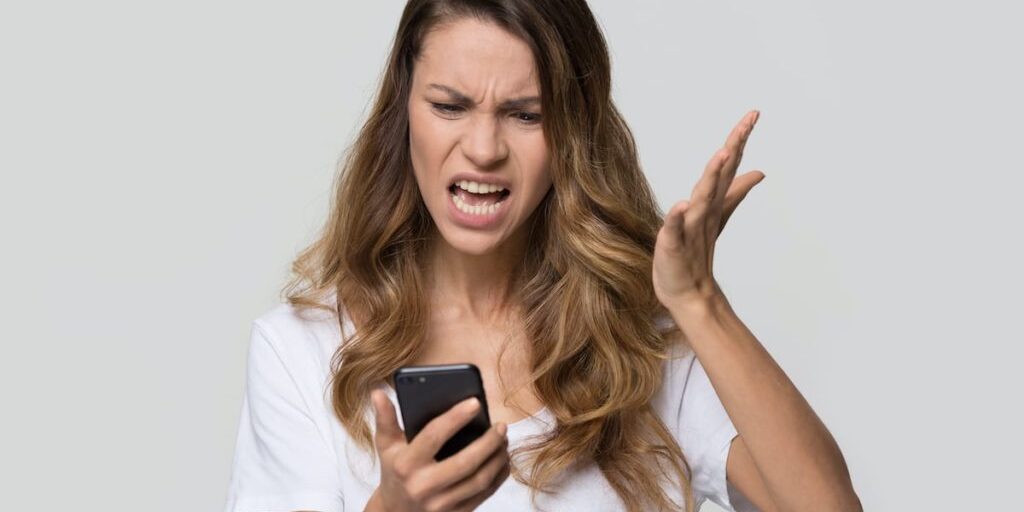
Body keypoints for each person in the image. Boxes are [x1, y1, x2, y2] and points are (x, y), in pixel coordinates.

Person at [223, 1, 862, 511]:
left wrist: (699, 303)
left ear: (571, 136)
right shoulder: (300, 351)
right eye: (449, 106)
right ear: (402, 113)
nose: (483, 148)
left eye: (526, 115)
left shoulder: (643, 344)